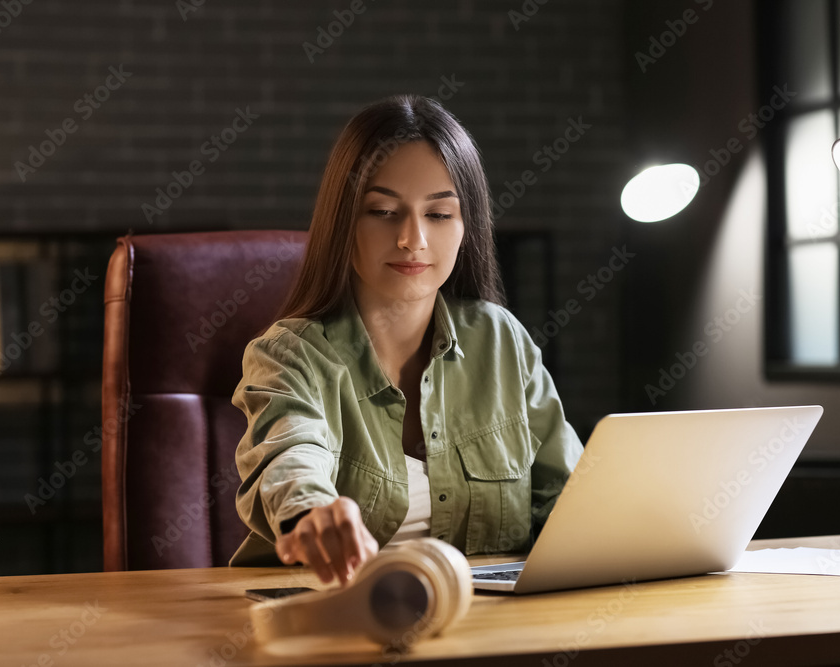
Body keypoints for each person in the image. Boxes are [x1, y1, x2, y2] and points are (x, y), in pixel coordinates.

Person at [229, 94, 584, 585]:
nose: (412, 239)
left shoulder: (502, 340)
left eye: (439, 215)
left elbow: (569, 500)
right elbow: (288, 454)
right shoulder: (288, 355)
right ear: (342, 222)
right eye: (382, 211)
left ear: (467, 227)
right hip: (329, 624)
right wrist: (311, 512)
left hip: (488, 631)